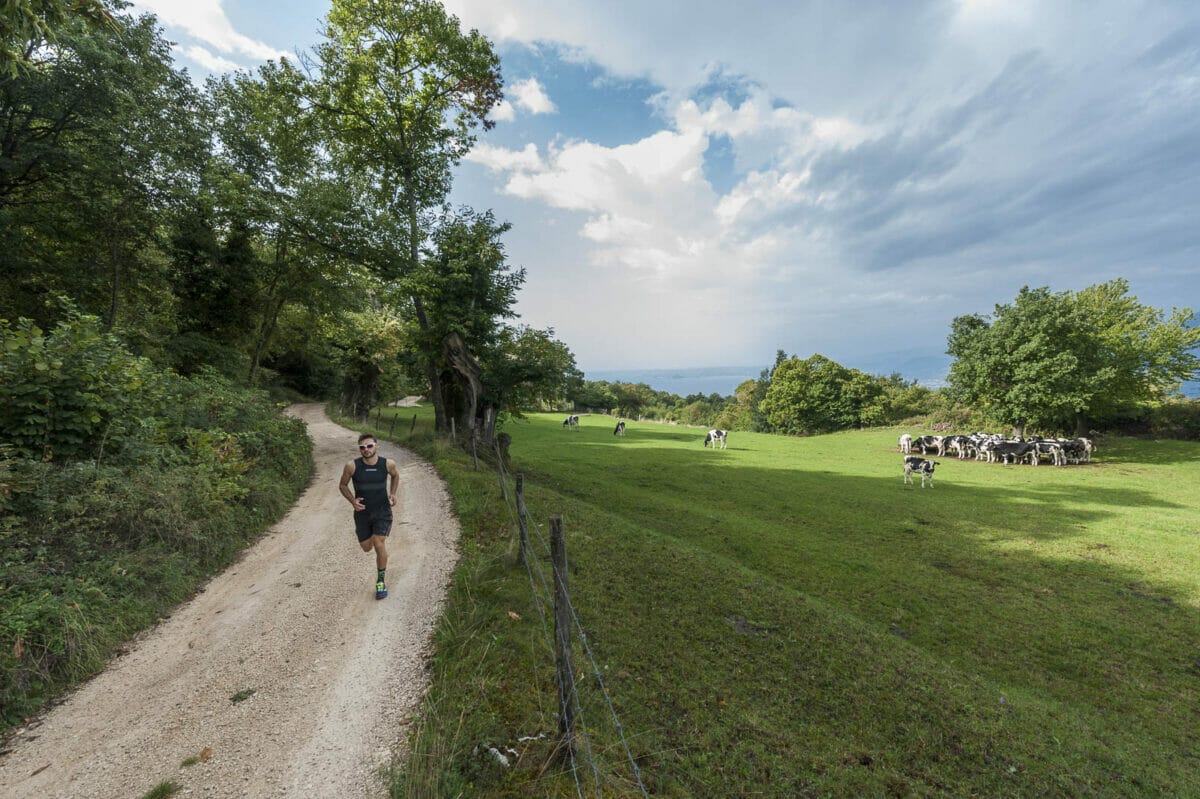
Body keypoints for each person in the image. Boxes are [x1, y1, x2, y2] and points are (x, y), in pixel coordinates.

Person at [339, 433, 400, 599]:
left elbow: (395, 476)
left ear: (376, 446)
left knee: (378, 542)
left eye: (369, 446)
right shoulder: (352, 466)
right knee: (367, 547)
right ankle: (376, 544)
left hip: (382, 511)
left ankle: (380, 583)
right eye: (362, 447)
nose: (366, 450)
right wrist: (353, 501)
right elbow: (343, 485)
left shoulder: (388, 464)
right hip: (362, 513)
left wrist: (393, 493)